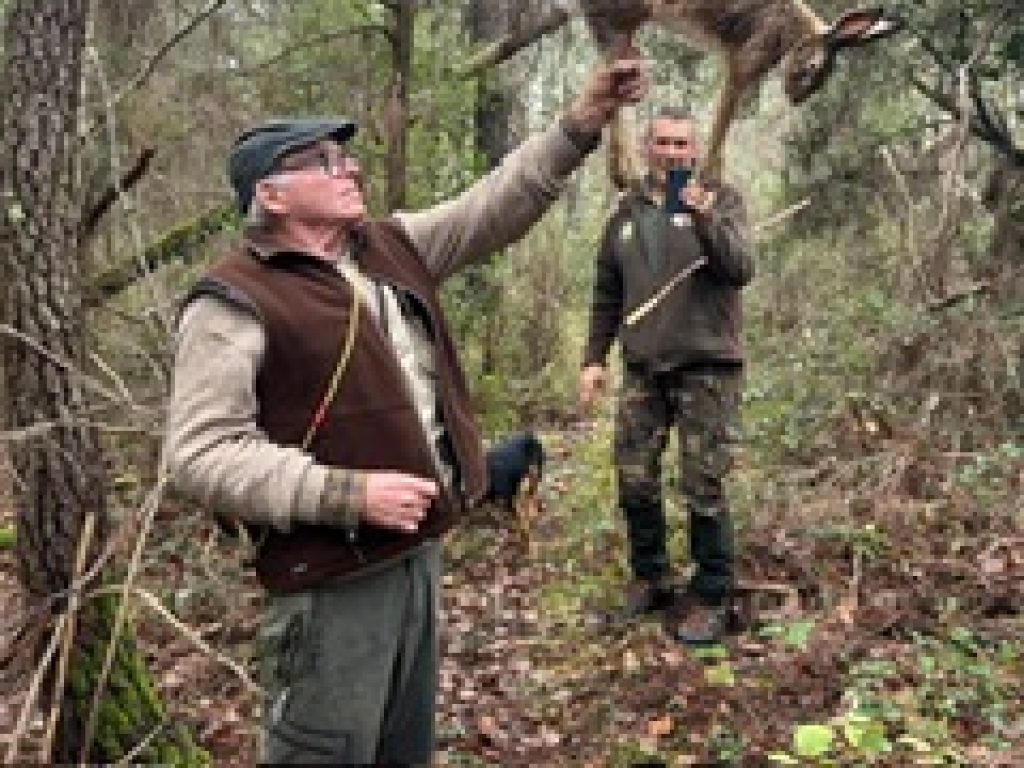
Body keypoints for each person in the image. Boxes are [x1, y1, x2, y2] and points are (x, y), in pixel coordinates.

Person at [164, 57, 647, 766]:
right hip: (329, 585)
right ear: (271, 193)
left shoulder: (390, 247)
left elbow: (493, 206)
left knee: (405, 750)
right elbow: (199, 454)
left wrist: (582, 123)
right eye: (324, 161)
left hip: (418, 557)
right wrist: (346, 495)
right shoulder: (231, 301)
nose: (350, 168)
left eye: (346, 157)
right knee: (326, 753)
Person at [578, 106, 754, 646]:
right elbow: (607, 292)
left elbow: (740, 268)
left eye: (682, 144)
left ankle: (712, 594)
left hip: (707, 368)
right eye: (663, 143)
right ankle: (651, 577)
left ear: (694, 150)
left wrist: (703, 218)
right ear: (646, 147)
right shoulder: (625, 213)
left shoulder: (721, 200)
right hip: (643, 369)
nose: (673, 153)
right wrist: (593, 359)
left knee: (704, 482)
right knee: (634, 476)